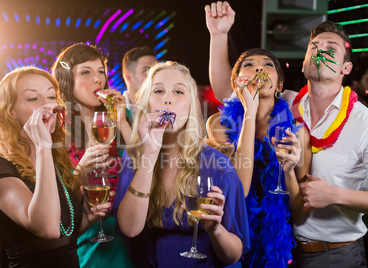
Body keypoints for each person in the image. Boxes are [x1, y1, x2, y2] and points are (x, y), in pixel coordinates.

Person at [112, 61, 250, 268]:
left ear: (191, 104)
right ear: (147, 103)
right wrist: (149, 153)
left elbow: (233, 255)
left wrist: (215, 230)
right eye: (158, 91)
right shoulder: (135, 156)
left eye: (178, 92)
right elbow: (129, 229)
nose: (168, 99)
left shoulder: (217, 164)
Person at [205, 2, 311, 267]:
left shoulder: (298, 134)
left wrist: (288, 171)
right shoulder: (220, 125)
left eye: (268, 65)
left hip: (274, 247)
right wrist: (218, 35)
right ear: (237, 82)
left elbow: (299, 214)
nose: (259, 69)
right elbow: (237, 192)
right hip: (230, 238)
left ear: (280, 85)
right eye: (249, 65)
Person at [0, 66, 107, 267]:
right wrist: (43, 145)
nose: (48, 106)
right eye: (32, 98)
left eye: (52, 97)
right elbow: (47, 229)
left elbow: (61, 236)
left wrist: (86, 219)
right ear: (11, 111)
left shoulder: (55, 162)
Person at [291, 21, 368, 267]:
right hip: (283, 251)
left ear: (346, 67)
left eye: (331, 47)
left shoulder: (363, 121)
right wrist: (219, 35)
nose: (320, 51)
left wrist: (335, 194)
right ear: (304, 64)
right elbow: (231, 91)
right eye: (314, 47)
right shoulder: (287, 106)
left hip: (336, 256)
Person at [51, 43, 134, 268]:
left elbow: (146, 162)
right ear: (67, 79)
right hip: (80, 237)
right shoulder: (54, 131)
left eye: (101, 72)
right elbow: (54, 205)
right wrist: (80, 172)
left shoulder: (118, 117)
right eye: (86, 72)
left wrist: (122, 121)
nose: (98, 80)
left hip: (128, 232)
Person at [122, 46, 157, 118]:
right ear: (129, 77)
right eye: (146, 71)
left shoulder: (164, 109)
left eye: (156, 71)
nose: (154, 76)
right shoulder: (113, 113)